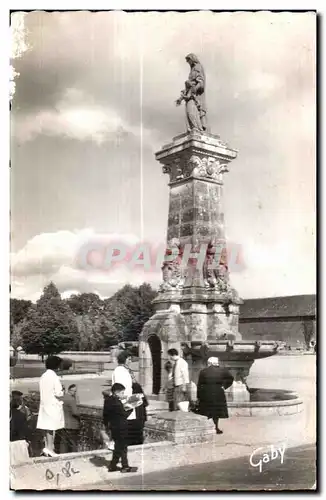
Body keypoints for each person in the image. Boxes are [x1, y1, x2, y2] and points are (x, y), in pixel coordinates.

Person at [103, 383, 138, 473]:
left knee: (118, 446)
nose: (123, 394)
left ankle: (113, 466)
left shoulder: (108, 400)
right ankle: (124, 467)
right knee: (123, 447)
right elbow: (124, 414)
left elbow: (105, 415)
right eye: (122, 393)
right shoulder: (116, 402)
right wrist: (132, 407)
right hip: (121, 427)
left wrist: (107, 426)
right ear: (117, 392)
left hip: (114, 427)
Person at [36, 355, 64, 457]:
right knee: (52, 428)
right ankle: (50, 448)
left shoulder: (43, 376)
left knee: (46, 426)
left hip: (44, 404)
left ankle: (47, 447)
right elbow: (58, 393)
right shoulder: (54, 377)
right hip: (52, 404)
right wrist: (62, 391)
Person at [197, 357, 234, 434]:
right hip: (218, 393)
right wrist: (224, 386)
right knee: (216, 413)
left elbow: (199, 385)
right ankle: (216, 428)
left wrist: (199, 396)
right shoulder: (222, 370)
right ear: (216, 363)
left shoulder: (203, 371)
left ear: (209, 363)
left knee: (206, 412)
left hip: (206, 394)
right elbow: (231, 378)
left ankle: (206, 429)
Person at [55, 384, 80, 453]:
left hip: (62, 424)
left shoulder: (61, 398)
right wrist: (79, 414)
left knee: (63, 443)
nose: (75, 393)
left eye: (75, 391)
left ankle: (62, 457)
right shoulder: (71, 399)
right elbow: (75, 412)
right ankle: (75, 458)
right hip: (72, 425)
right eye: (74, 391)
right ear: (69, 390)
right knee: (73, 443)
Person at [112, 351, 136, 422]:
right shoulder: (119, 370)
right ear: (123, 359)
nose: (130, 361)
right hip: (123, 402)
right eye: (129, 359)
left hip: (128, 401)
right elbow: (118, 389)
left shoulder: (125, 370)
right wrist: (127, 397)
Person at [127, 381, 148, 446]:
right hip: (140, 421)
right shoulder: (137, 387)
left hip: (132, 423)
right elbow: (145, 403)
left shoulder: (131, 387)